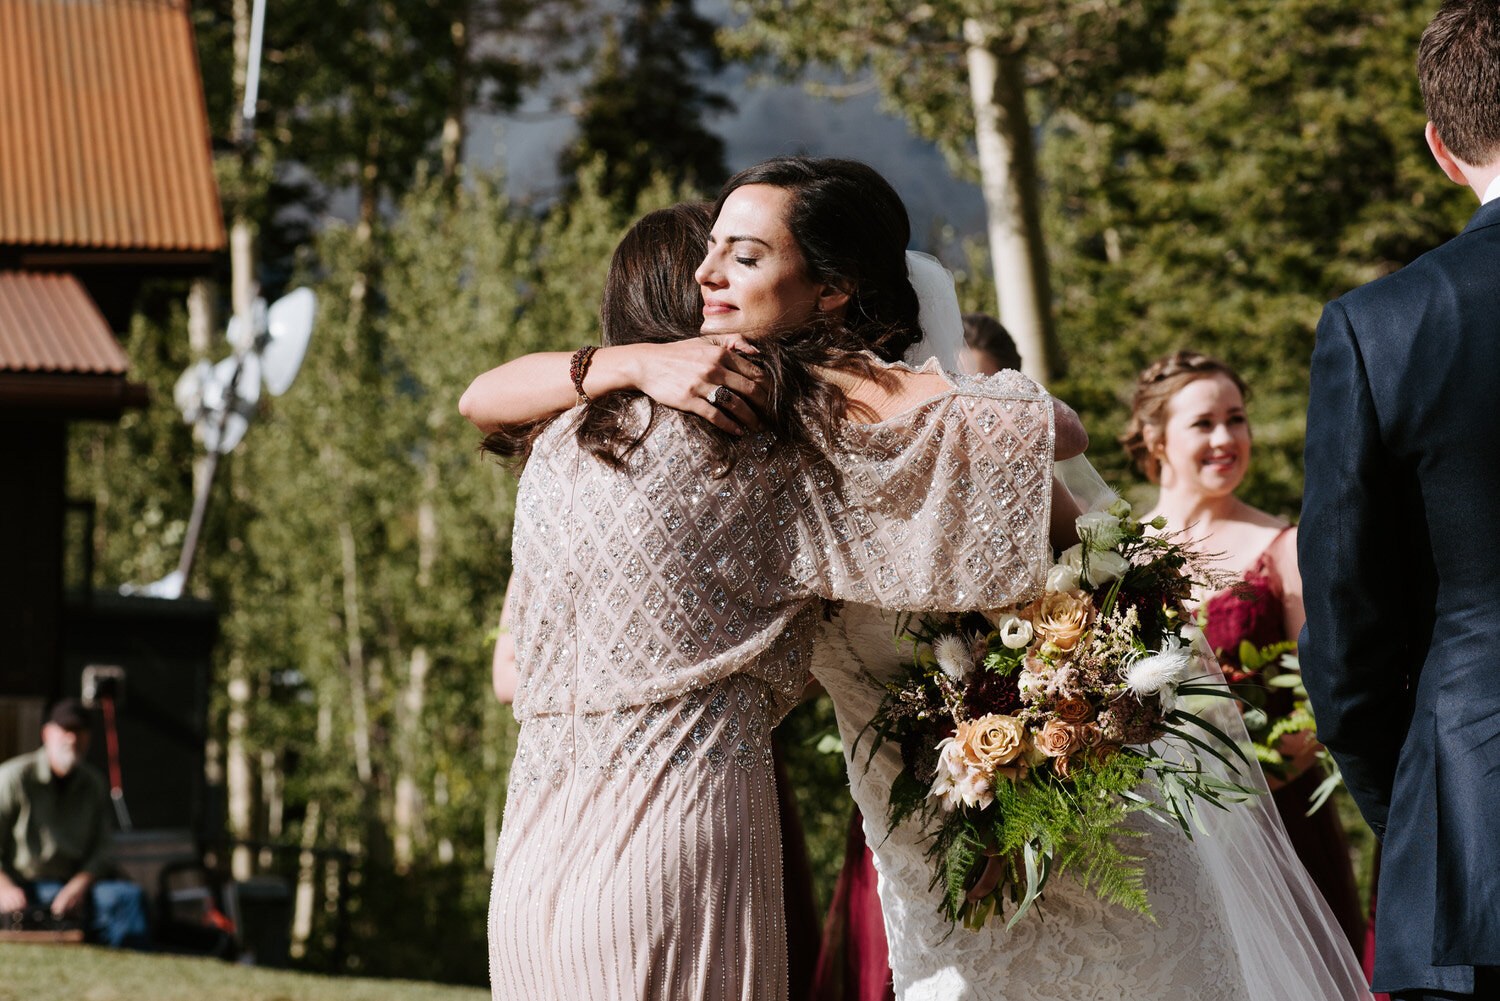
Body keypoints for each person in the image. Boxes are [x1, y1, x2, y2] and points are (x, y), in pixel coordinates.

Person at [474, 165, 1067, 1001]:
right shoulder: (773, 419)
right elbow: (1046, 430)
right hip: (677, 818)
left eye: (740, 258)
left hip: (533, 845)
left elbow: (478, 396)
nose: (709, 278)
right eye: (710, 257)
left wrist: (628, 363)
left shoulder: (567, 437)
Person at [1300, 3, 1500, 997]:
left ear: (1442, 149)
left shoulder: (1382, 326)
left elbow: (1347, 632)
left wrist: (1413, 804)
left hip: (1475, 828)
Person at [1120, 349, 1364, 955]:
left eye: (1236, 418)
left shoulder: (1285, 547)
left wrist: (1243, 790)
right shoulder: (1119, 556)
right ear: (1156, 438)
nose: (1226, 437)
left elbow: (1320, 698)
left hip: (1283, 829)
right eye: (1203, 423)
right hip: (1167, 836)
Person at [0, 698, 149, 948]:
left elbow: (103, 849)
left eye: (78, 732)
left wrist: (78, 886)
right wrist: (5, 888)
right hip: (21, 885)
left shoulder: (93, 784)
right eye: (65, 730)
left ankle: (130, 969)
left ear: (88, 737)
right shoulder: (14, 778)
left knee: (128, 898)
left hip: (73, 886)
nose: (72, 739)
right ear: (47, 733)